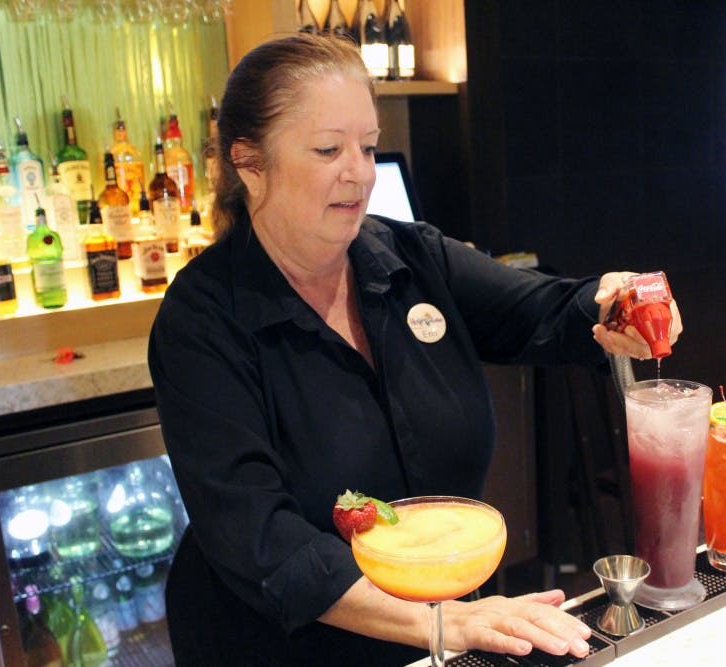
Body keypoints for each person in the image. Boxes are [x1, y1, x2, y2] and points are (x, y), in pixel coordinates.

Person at [148, 32, 682, 666]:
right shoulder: (203, 319)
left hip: (442, 628)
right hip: (284, 647)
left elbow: (544, 308)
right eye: (328, 149)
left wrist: (616, 301)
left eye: (368, 147)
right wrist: (440, 624)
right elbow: (259, 537)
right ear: (249, 162)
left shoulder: (409, 256)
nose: (360, 173)